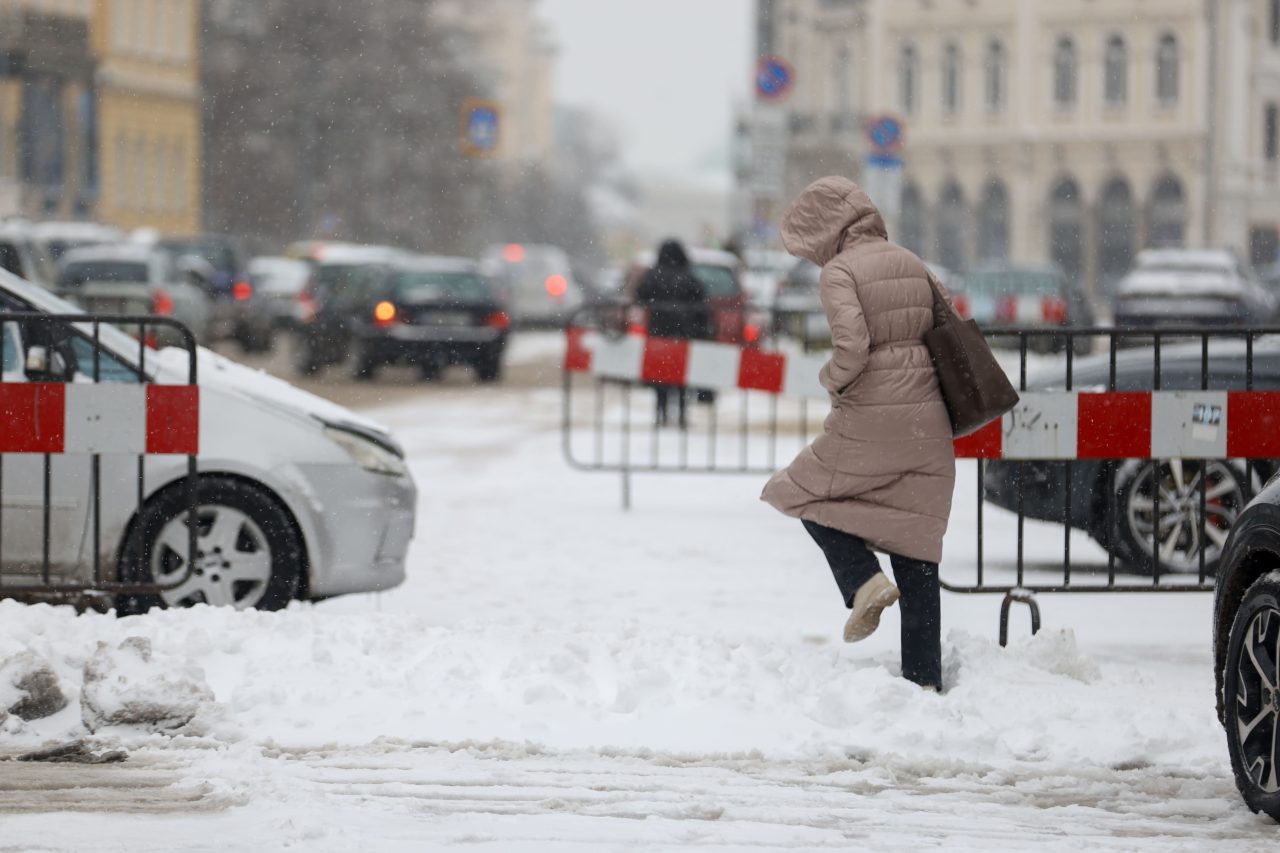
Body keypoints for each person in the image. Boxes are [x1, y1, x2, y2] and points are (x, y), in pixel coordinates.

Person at [760, 176, 956, 692]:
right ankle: (923, 681)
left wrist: (831, 381)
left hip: (871, 411)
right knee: (916, 541)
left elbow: (852, 346)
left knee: (797, 491)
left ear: (827, 230)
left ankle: (862, 579)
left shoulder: (840, 272)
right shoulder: (911, 261)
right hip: (927, 416)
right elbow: (953, 326)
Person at [634, 239, 709, 428]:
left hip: (659, 333)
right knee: (681, 376)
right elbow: (701, 302)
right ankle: (682, 414)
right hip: (682, 333)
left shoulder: (654, 274)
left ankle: (660, 414)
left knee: (660, 378)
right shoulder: (688, 276)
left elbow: (641, 294)